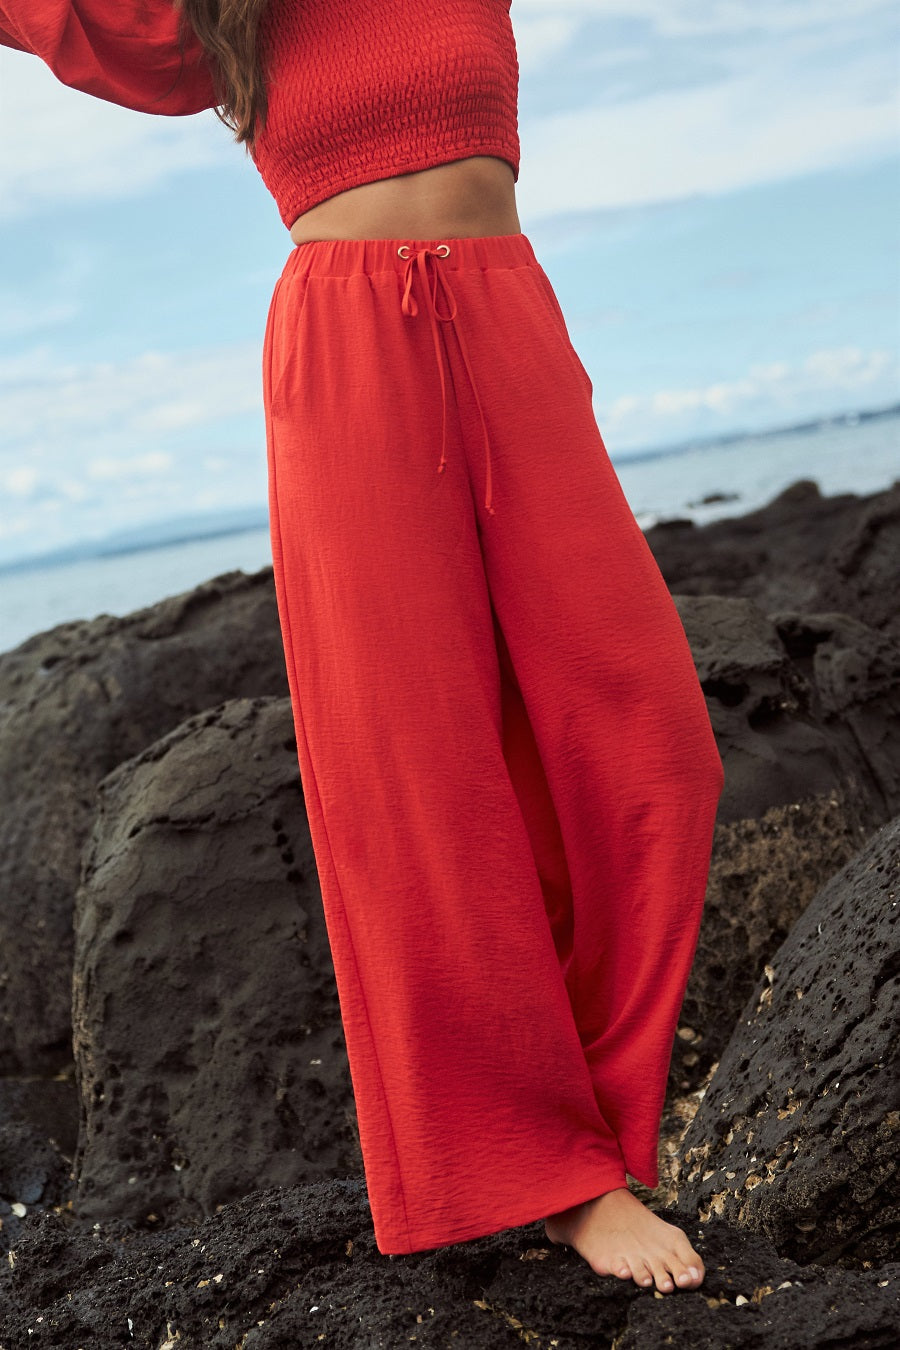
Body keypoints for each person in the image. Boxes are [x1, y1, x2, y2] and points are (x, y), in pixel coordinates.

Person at [0, 0, 725, 1295]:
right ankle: (559, 1173)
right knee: (417, 772)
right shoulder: (225, 16)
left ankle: (606, 1108)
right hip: (343, 354)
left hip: (507, 320)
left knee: (652, 735)